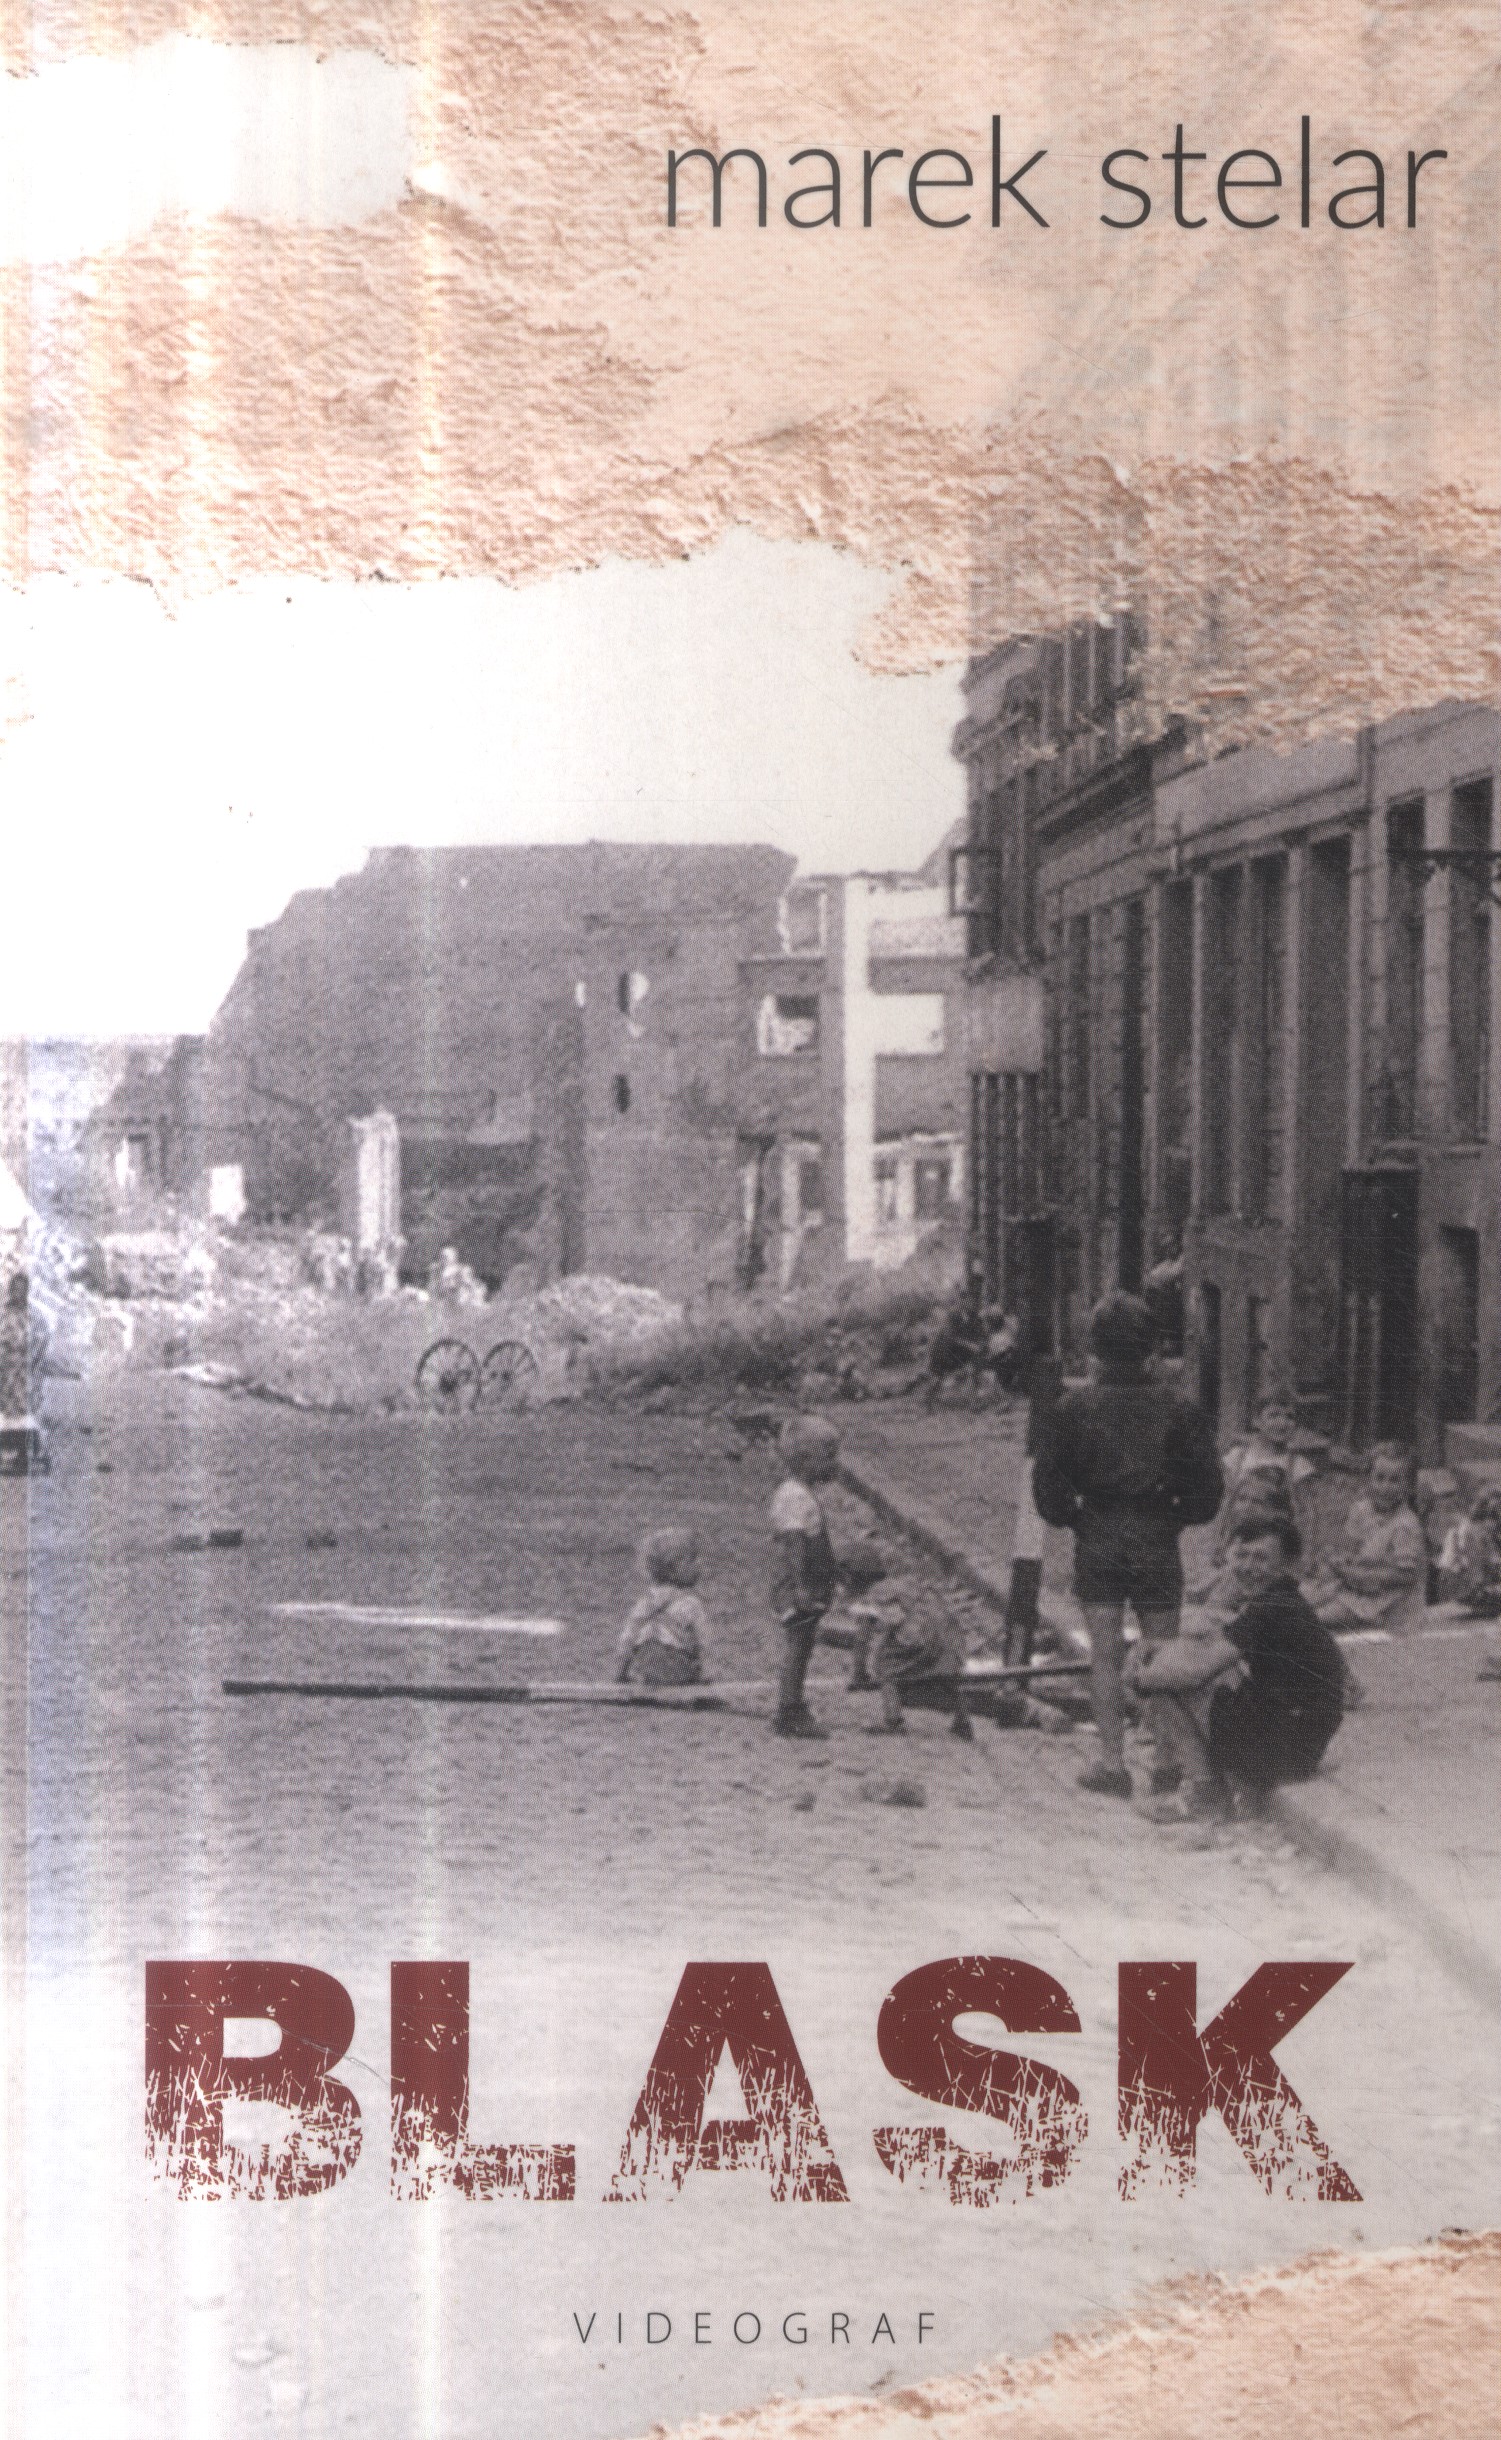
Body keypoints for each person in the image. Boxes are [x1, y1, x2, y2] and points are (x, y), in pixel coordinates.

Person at [1032, 1290, 1223, 1801]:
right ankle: (1166, 1762)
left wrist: (1077, 1518)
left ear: (1095, 1350)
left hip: (1099, 1534)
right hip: (1157, 1534)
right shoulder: (1179, 1408)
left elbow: (1047, 1489)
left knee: (1105, 1655)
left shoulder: (1072, 1408)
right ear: (1151, 1350)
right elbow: (1208, 1489)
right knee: (1162, 1650)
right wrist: (1176, 1518)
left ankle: (1113, 1764)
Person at [1132, 1514, 1345, 1820]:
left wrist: (1140, 1680)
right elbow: (1217, 1643)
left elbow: (1198, 1671)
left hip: (1288, 1747)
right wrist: (1161, 1646)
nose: (1247, 1567)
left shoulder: (1270, 1608)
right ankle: (1196, 1777)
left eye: (1261, 1558)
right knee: (1192, 1665)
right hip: (1305, 1741)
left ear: (1287, 1565)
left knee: (1169, 1685)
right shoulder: (1283, 1600)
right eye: (1242, 1555)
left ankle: (1205, 1794)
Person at [838, 1538, 973, 1740]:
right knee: (947, 1676)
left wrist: (859, 1675)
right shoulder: (902, 1583)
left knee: (885, 1666)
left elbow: (862, 1641)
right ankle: (963, 1721)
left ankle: (893, 1720)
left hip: (920, 1636)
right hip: (948, 1635)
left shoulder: (871, 1597)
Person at [768, 1413, 841, 1739]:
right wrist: (799, 1586)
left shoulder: (799, 1493)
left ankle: (793, 1704)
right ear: (806, 1459)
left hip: (807, 1581)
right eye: (828, 1456)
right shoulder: (794, 1496)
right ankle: (789, 1710)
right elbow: (795, 1543)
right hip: (799, 1583)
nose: (833, 1464)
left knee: (804, 1642)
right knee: (798, 1644)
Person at [1305, 1443, 1425, 1637]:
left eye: (1395, 1480)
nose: (1385, 1487)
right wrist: (1338, 1559)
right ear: (1369, 1479)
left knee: (1313, 1618)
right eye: (1379, 1478)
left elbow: (1406, 1576)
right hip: (1352, 1587)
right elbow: (1351, 1548)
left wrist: (1363, 1577)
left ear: (1408, 1486)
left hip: (1382, 1601)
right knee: (1301, 1598)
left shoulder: (1405, 1525)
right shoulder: (1362, 1510)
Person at [1211, 1385, 1317, 1568]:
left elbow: (1307, 1513)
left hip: (1277, 1545)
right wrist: (1220, 1541)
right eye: (1273, 1415)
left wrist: (1306, 1552)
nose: (1282, 1423)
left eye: (1289, 1417)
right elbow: (1227, 1503)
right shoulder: (1239, 1457)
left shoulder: (1298, 1465)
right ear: (1257, 1421)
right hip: (1240, 1541)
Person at [615, 1528, 709, 1688]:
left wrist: (621, 1673)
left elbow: (627, 1640)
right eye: (693, 1560)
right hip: (678, 1668)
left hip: (645, 1668)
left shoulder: (645, 1602)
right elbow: (703, 1644)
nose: (700, 1565)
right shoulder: (690, 1604)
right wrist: (705, 1676)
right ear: (675, 1567)